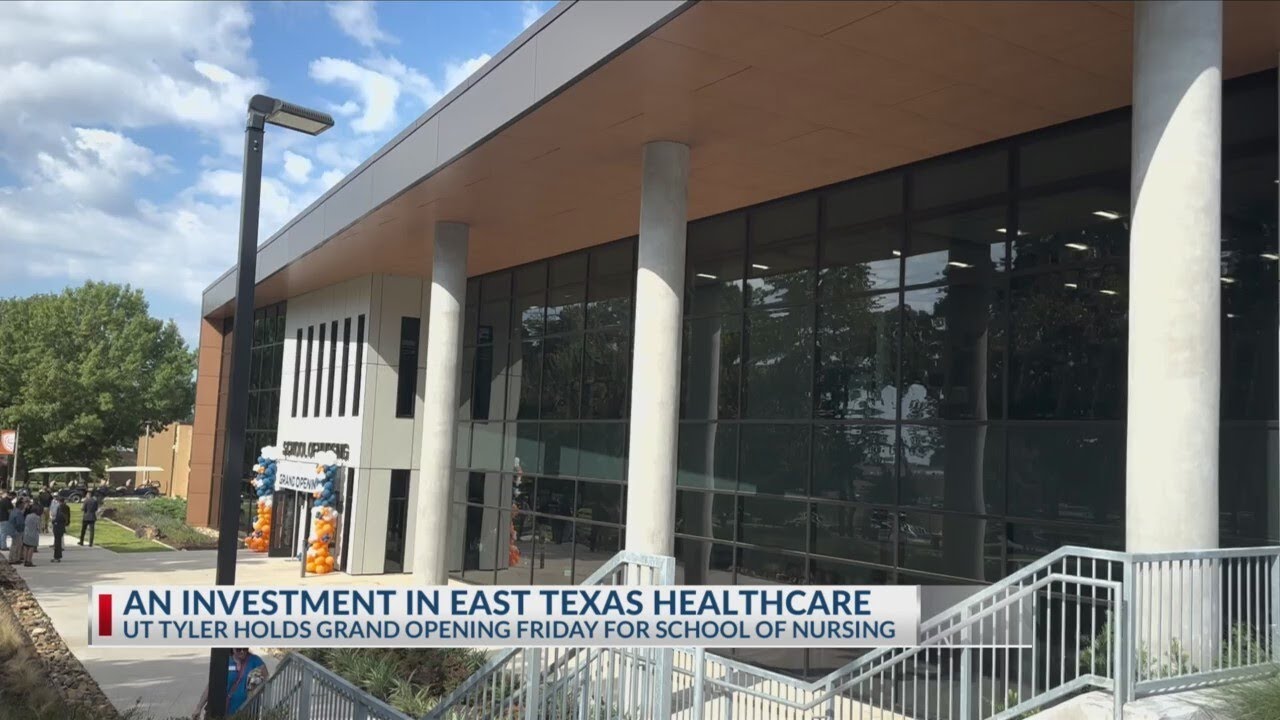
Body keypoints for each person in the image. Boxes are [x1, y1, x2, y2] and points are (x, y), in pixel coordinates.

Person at [192, 647, 268, 718]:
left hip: (247, 712)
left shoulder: (255, 660)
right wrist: (199, 708)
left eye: (245, 649)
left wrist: (258, 682)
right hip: (224, 713)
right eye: (238, 649)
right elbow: (211, 687)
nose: (242, 652)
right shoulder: (224, 662)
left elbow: (267, 680)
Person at [50, 497, 69, 563]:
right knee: (58, 543)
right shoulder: (64, 514)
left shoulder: (60, 514)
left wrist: (53, 521)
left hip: (58, 528)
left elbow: (55, 520)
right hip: (61, 528)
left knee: (57, 543)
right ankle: (58, 556)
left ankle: (56, 557)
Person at [7, 500, 26, 564]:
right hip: (17, 531)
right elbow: (19, 523)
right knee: (16, 545)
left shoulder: (13, 511)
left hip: (12, 530)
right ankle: (13, 559)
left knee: (15, 545)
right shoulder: (18, 512)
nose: (24, 506)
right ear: (20, 505)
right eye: (23, 504)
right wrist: (21, 530)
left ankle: (15, 558)